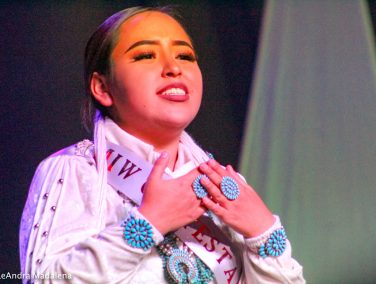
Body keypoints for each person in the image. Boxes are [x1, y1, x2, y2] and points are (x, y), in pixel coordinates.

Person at [19, 6, 305, 283]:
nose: (173, 68)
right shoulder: (76, 172)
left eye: (185, 55)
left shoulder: (222, 184)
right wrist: (147, 224)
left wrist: (263, 232)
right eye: (146, 55)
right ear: (103, 88)